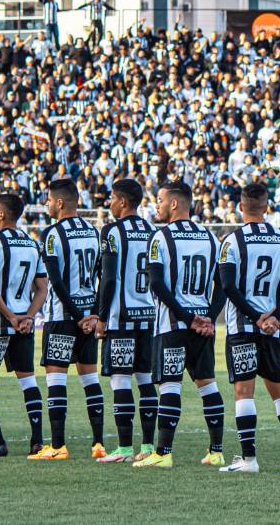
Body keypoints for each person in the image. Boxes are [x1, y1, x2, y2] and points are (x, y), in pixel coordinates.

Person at [133, 181, 226, 468]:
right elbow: (222, 285)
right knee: (207, 384)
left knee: (170, 385)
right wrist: (208, 317)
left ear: (174, 204)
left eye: (160, 200)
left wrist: (187, 318)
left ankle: (163, 452)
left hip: (173, 325)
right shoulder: (211, 238)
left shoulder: (160, 238)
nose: (156, 205)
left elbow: (158, 284)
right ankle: (216, 450)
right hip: (203, 326)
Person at [217, 183, 280, 474]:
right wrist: (274, 315)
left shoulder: (231, 241)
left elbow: (228, 286)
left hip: (242, 327)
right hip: (272, 328)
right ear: (267, 207)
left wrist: (255, 317)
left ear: (240, 207)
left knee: (244, 391)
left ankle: (249, 459)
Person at [29, 179, 104, 461]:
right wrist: (92, 314)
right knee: (90, 378)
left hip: (62, 317)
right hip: (88, 316)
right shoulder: (94, 232)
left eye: (48, 200)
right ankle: (98, 443)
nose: (47, 204)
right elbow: (103, 278)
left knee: (56, 379)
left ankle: (58, 445)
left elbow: (56, 283)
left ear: (60, 203)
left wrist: (77, 315)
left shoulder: (51, 234)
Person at [0, 194, 48, 457]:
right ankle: (37, 440)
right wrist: (27, 316)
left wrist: (11, 317)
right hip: (24, 326)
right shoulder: (31, 243)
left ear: (2, 214)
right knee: (28, 380)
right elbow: (42, 288)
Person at [94, 179, 158, 463]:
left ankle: (122, 448)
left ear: (121, 201)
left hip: (121, 317)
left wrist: (101, 316)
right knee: (145, 380)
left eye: (111, 198)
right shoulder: (153, 231)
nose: (109, 203)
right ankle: (147, 447)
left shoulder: (111, 232)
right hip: (148, 316)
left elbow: (108, 278)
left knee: (120, 380)